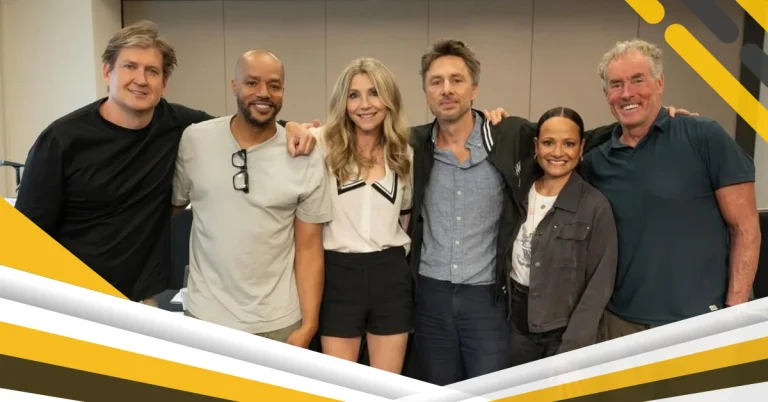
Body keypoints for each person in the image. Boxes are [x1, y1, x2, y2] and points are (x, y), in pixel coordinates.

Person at [13, 20, 213, 305]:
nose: (141, 79)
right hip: (70, 299)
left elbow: (240, 130)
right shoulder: (62, 139)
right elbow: (28, 236)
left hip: (141, 303)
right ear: (108, 72)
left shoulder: (178, 124)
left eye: (152, 71)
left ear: (164, 83)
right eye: (130, 66)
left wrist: (284, 121)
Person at [583, 39, 760, 340]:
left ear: (660, 83)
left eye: (638, 80)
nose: (627, 93)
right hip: (621, 324)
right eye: (616, 84)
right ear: (606, 94)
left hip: (702, 320)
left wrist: (734, 312)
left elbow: (745, 228)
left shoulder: (703, 136)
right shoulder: (595, 158)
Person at [171, 49, 332, 347]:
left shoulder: (305, 153)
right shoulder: (195, 140)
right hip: (205, 319)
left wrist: (309, 324)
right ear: (234, 85)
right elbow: (172, 206)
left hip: (279, 325)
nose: (264, 93)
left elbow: (309, 248)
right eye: (252, 83)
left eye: (274, 85)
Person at [307, 57, 414, 373]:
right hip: (338, 273)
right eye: (354, 95)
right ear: (343, 102)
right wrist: (294, 129)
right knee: (341, 385)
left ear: (389, 99)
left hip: (391, 274)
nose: (364, 105)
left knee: (387, 386)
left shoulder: (404, 151)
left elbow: (405, 215)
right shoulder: (321, 144)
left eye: (374, 93)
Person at [506, 107, 617, 367]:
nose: (557, 152)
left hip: (565, 334)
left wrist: (573, 348)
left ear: (581, 148)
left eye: (568, 144)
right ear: (536, 146)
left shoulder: (595, 206)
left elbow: (600, 285)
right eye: (548, 143)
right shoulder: (517, 194)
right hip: (516, 330)